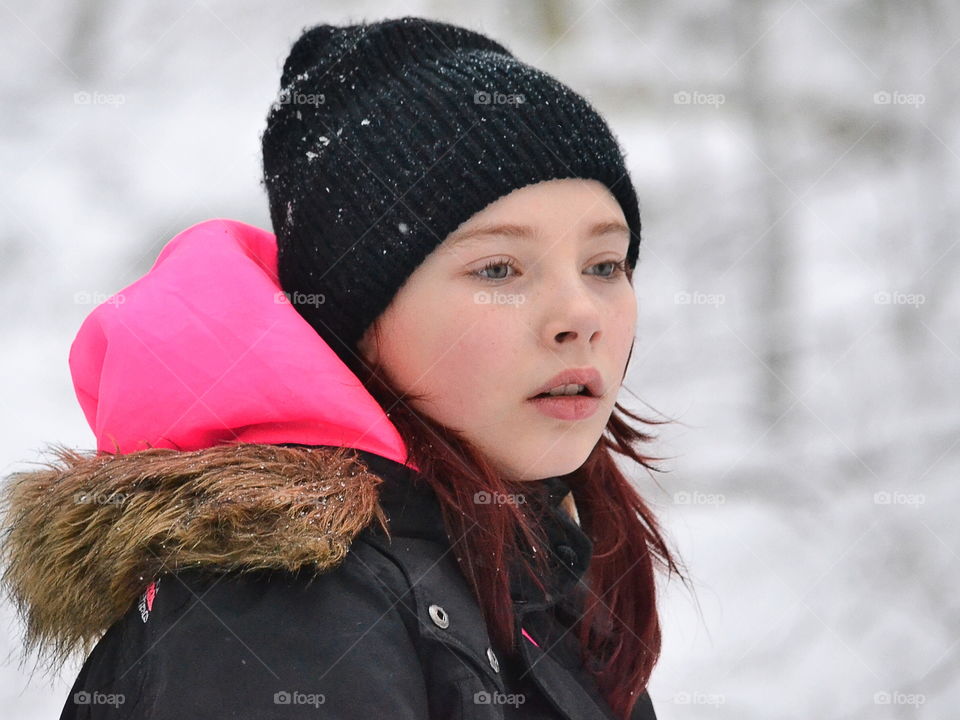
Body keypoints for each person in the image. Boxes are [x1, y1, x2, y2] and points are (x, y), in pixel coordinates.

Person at [0, 16, 686, 720]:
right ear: (361, 320)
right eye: (499, 269)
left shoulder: (524, 578)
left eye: (604, 264)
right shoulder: (286, 604)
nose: (581, 314)